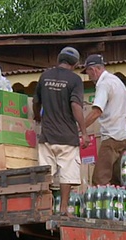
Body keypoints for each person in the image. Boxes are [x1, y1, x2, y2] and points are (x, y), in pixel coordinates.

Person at [33, 46, 89, 216]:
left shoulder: (45, 76)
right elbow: (75, 105)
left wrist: (37, 117)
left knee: (45, 175)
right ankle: (63, 209)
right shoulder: (75, 80)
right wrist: (84, 131)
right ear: (75, 63)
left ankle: (45, 209)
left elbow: (36, 102)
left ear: (59, 59)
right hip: (67, 137)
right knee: (67, 175)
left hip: (48, 136)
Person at [82, 54, 126, 186]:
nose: (89, 77)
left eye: (88, 73)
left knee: (100, 181)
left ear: (94, 70)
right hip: (124, 137)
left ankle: (103, 206)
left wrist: (81, 128)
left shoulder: (103, 84)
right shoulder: (117, 82)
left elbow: (97, 111)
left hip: (111, 138)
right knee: (117, 182)